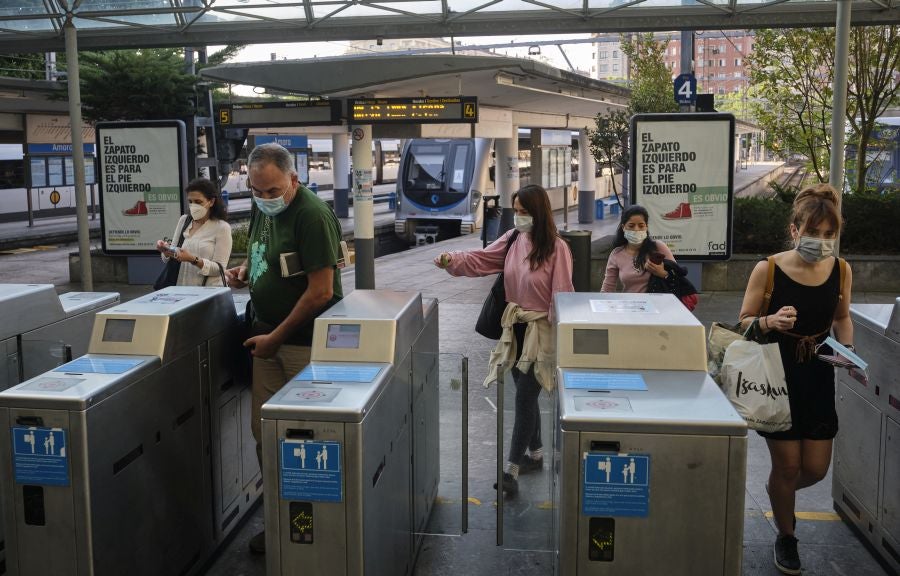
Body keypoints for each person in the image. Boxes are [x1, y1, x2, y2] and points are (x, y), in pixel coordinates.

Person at [225, 143, 343, 554]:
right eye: (258, 191)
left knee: (305, 439)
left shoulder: (312, 216)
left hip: (301, 347)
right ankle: (280, 520)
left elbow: (321, 292)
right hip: (266, 340)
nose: (265, 198)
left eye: (274, 191)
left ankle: (311, 526)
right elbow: (263, 255)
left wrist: (276, 338)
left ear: (294, 179)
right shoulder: (261, 204)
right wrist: (244, 271)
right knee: (267, 434)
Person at [737, 184, 853, 576]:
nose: (821, 242)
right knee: (787, 467)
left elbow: (841, 316)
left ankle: (777, 493)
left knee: (816, 469)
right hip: (776, 375)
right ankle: (787, 536)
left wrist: (846, 349)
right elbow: (744, 322)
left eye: (828, 234)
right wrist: (769, 321)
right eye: (813, 232)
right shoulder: (768, 268)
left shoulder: (841, 270)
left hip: (819, 373)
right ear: (794, 229)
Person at [434, 184, 574, 497]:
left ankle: (511, 470)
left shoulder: (557, 248)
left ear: (539, 212)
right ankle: (535, 454)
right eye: (517, 211)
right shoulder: (513, 239)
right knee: (525, 394)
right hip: (514, 329)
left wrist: (561, 340)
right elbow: (482, 259)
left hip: (542, 331)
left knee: (524, 397)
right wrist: (450, 260)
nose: (520, 217)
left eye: (525, 212)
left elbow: (562, 294)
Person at [155, 177, 231, 286]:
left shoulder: (222, 228)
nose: (193, 206)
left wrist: (192, 259)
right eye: (190, 202)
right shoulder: (184, 221)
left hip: (207, 293)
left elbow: (219, 269)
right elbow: (170, 257)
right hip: (181, 289)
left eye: (198, 202)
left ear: (211, 201)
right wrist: (166, 250)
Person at [600, 204, 676, 294]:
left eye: (641, 225)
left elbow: (678, 276)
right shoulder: (617, 254)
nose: (636, 229)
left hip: (658, 305)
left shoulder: (658, 247)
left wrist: (662, 273)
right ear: (623, 227)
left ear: (646, 227)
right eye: (631, 226)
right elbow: (608, 288)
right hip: (629, 305)